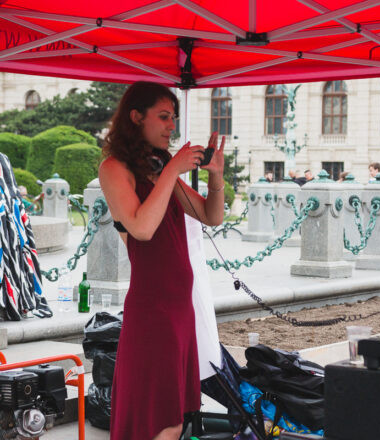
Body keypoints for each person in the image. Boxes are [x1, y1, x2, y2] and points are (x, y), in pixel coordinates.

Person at [99, 81, 225, 440]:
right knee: (159, 419)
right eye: (164, 116)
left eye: (174, 117)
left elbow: (209, 215)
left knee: (176, 416)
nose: (172, 125)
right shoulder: (114, 168)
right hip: (152, 309)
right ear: (137, 117)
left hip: (179, 308)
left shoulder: (158, 166)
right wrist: (172, 171)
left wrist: (215, 176)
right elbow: (141, 229)